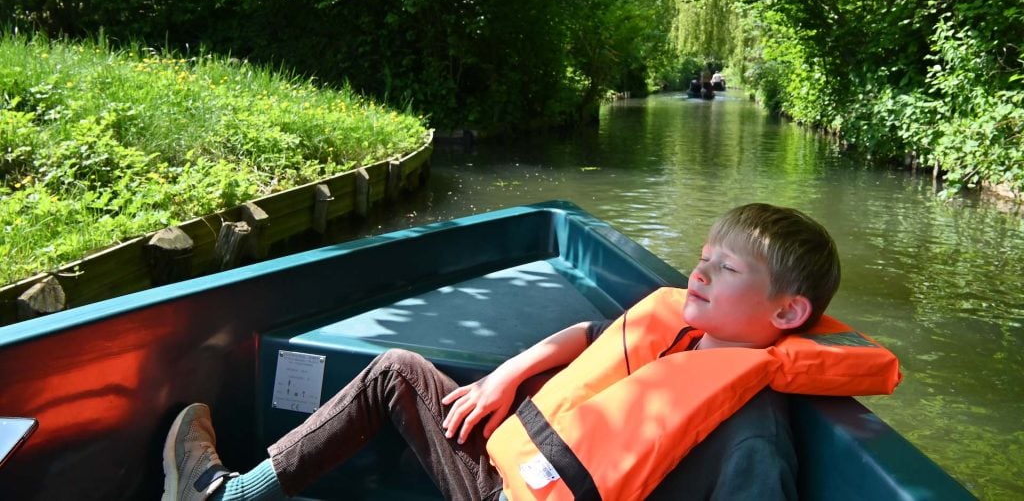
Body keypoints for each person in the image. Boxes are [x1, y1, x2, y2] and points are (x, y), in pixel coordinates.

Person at [163, 204, 844, 501]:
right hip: (509, 481)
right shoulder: (684, 331)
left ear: (787, 311)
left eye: (724, 270)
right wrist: (506, 373)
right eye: (701, 257)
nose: (697, 273)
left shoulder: (751, 433)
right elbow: (588, 339)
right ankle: (236, 495)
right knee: (397, 371)